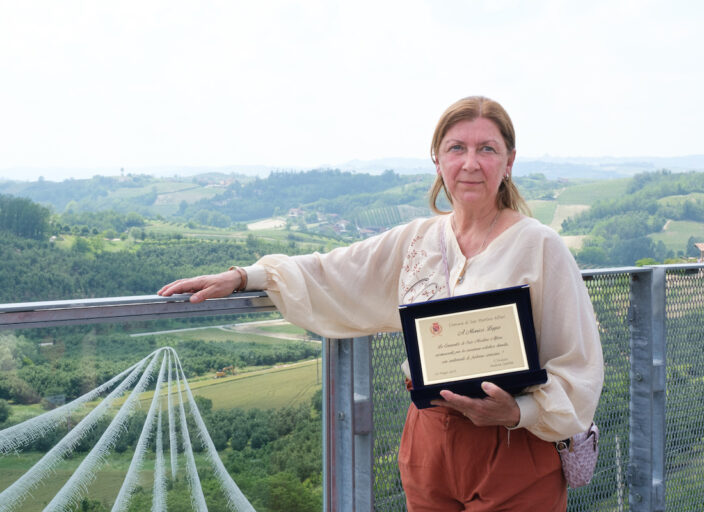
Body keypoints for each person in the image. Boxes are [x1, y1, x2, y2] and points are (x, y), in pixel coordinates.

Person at [158, 96, 603, 511]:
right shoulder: (417, 240)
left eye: (486, 149)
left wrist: (518, 411)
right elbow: (332, 271)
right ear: (437, 160)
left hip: (512, 443)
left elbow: (578, 363)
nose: (470, 163)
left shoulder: (540, 246)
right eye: (456, 148)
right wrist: (243, 277)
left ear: (509, 162)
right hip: (428, 440)